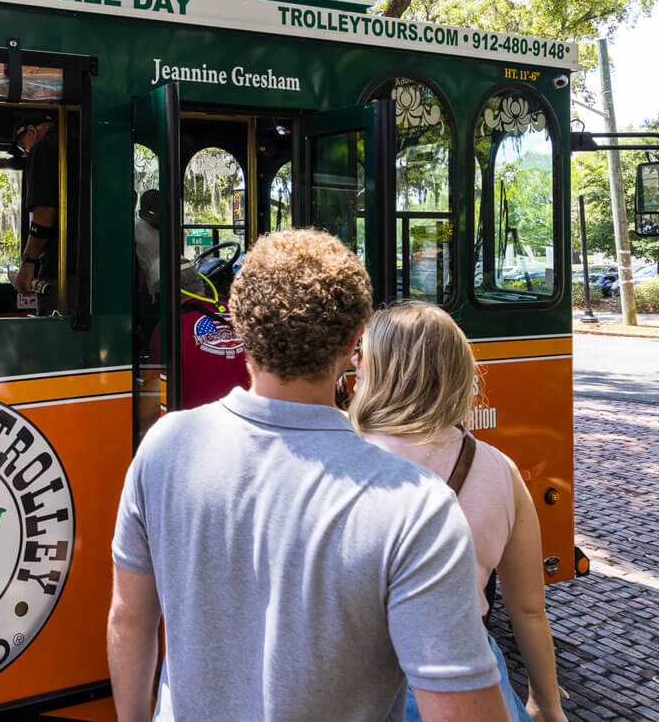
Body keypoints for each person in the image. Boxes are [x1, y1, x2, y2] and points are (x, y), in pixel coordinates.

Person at [109, 228, 509, 722]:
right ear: (353, 344)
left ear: (237, 322)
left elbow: (130, 620)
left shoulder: (163, 448)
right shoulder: (416, 506)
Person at [348, 301, 567, 722]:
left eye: (362, 355)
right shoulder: (500, 469)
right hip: (473, 675)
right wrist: (546, 703)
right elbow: (528, 610)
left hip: (365, 682)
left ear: (374, 369)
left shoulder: (340, 452)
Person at [8, 112, 61, 314]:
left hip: (61, 269)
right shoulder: (79, 141)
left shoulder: (44, 148)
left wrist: (28, 263)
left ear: (32, 131)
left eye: (23, 146)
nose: (24, 152)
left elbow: (45, 214)